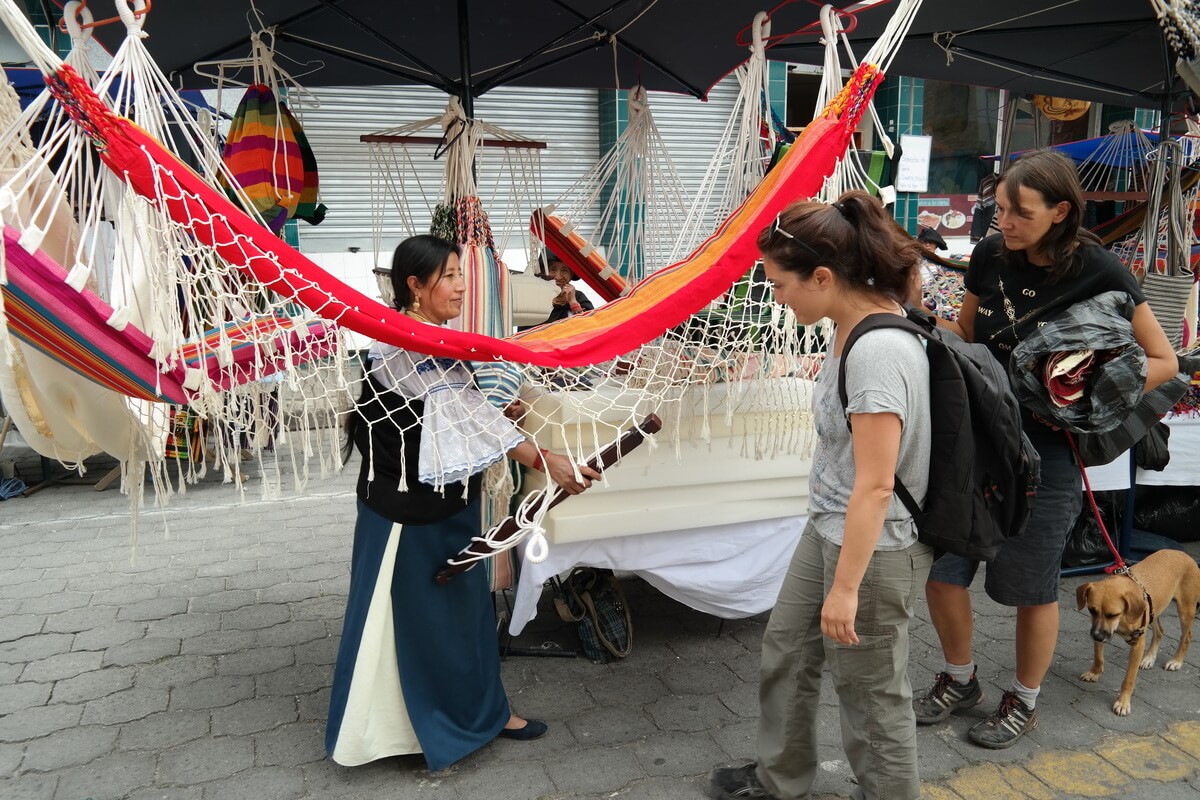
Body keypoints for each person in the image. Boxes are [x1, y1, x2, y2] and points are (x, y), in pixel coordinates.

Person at [911, 149, 1178, 748]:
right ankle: (960, 679)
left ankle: (1024, 700)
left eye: (1018, 212)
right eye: (999, 207)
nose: (1002, 221)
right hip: (978, 437)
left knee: (1031, 583)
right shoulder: (988, 255)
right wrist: (915, 318)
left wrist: (1081, 401)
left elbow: (1162, 361)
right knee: (946, 569)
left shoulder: (1102, 270)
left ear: (1061, 211)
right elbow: (969, 331)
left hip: (1048, 449)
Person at [327, 234, 601, 771]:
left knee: (467, 612)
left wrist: (509, 417)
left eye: (459, 273)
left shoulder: (437, 341)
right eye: (449, 276)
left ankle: (487, 712)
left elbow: (466, 414)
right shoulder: (397, 344)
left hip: (449, 503)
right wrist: (544, 458)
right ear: (415, 285)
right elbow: (464, 418)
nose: (459, 285)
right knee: (416, 620)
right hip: (404, 518)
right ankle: (404, 730)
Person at [710, 190, 935, 800]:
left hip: (872, 546)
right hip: (830, 527)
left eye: (779, 285)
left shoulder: (879, 349)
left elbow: (878, 483)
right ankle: (781, 778)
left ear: (823, 276)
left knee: (869, 692)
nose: (776, 298)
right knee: (787, 648)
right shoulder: (849, 324)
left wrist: (845, 587)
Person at [542, 252, 594, 324]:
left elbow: (590, 324)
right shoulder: (536, 297)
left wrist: (573, 302)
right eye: (553, 269)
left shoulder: (578, 296)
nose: (558, 277)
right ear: (544, 273)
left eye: (564, 270)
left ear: (571, 275)